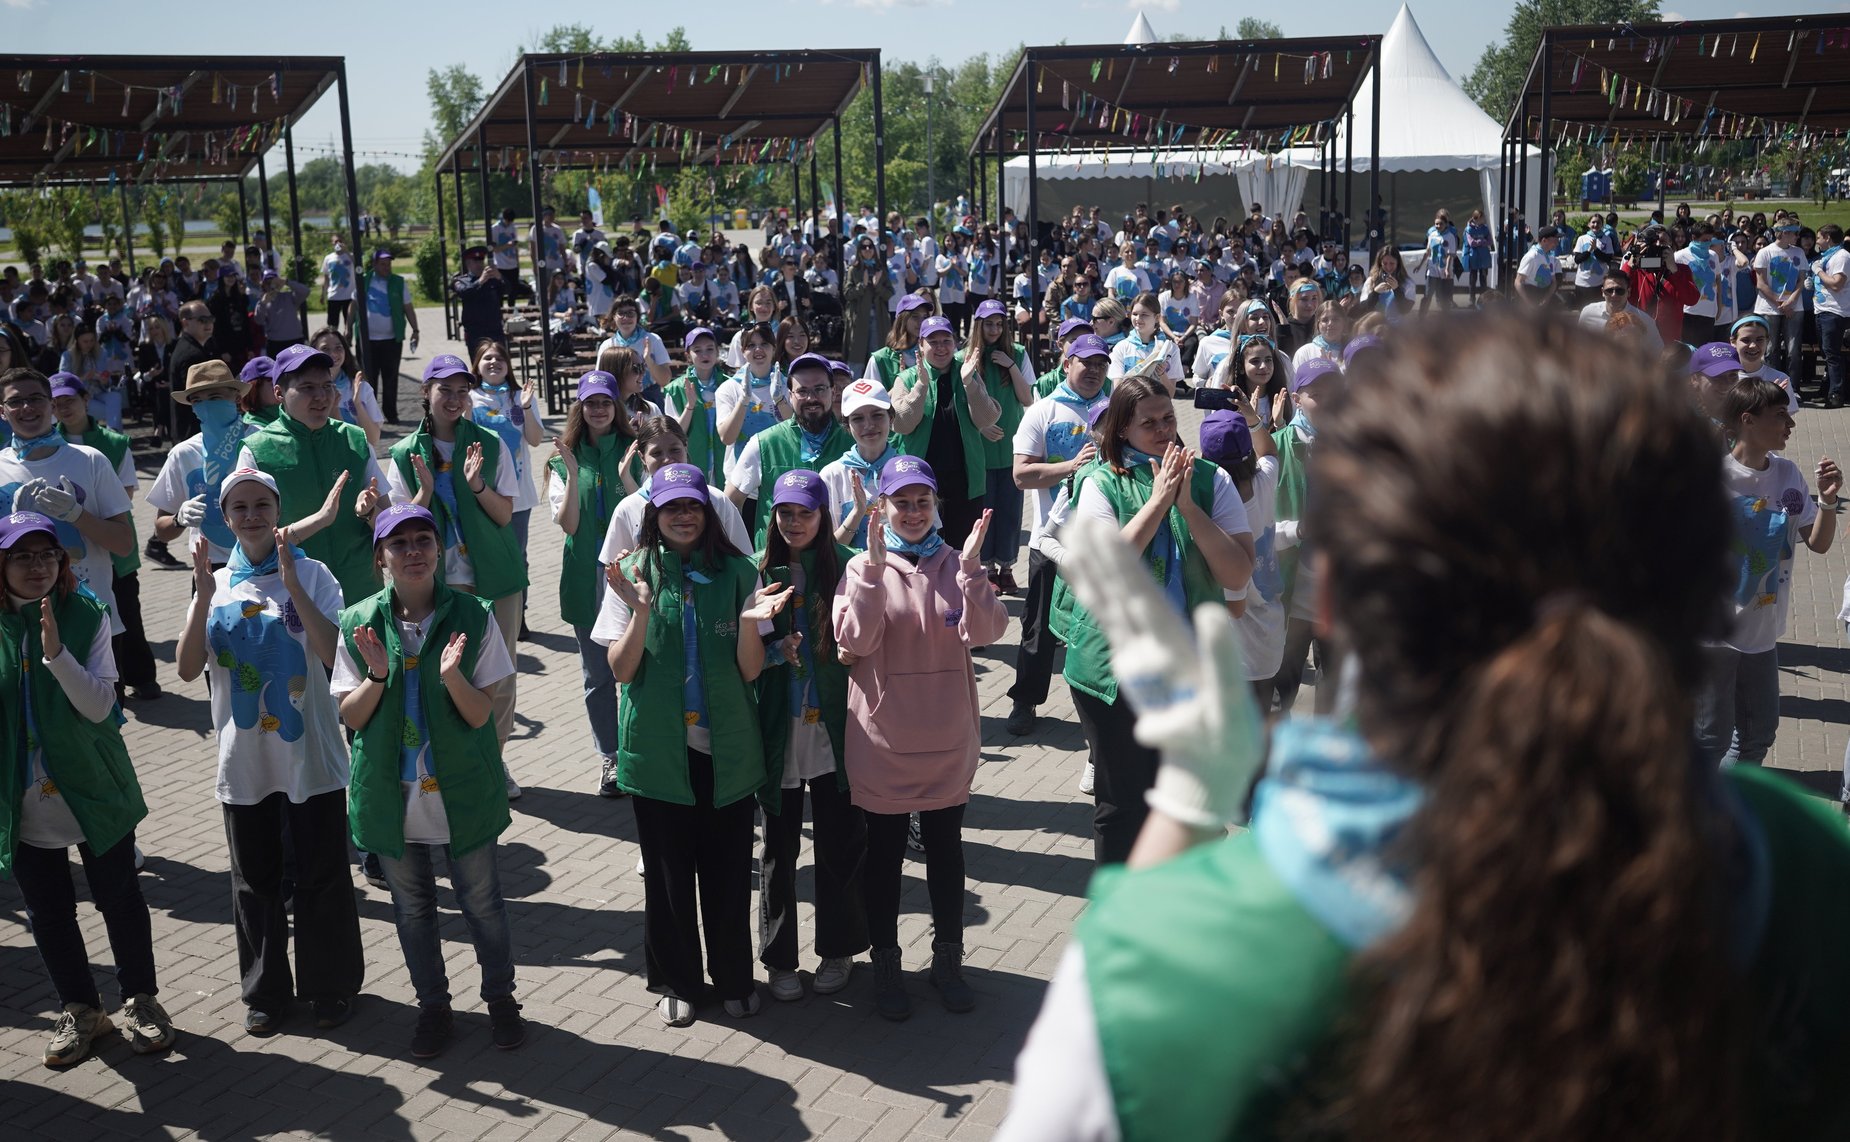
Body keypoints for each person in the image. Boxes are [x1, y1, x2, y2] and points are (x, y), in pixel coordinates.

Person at [1000, 312, 1850, 1142]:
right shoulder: (1813, 865)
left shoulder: (1160, 976)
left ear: (1332, 597)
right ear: (1704, 589)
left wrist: (1183, 811)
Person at [593, 465, 788, 1027]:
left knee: (727, 871)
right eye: (672, 507)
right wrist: (643, 611)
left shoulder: (737, 572)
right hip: (658, 753)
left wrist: (751, 622)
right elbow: (621, 671)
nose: (684, 516)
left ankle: (732, 977)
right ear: (653, 514)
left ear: (708, 513)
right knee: (668, 874)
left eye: (694, 506)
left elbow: (751, 671)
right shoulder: (629, 573)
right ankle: (677, 980)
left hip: (725, 750)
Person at [174, 468, 364, 1035]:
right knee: (254, 882)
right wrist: (203, 597)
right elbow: (186, 668)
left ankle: (330, 987)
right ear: (226, 518)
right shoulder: (216, 582)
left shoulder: (314, 572)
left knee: (323, 876)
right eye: (240, 507)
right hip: (245, 761)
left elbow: (335, 656)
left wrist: (294, 586)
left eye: (262, 504)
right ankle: (265, 992)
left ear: (277, 511)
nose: (252, 515)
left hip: (313, 755)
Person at [332, 504, 525, 1058]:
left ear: (439, 550)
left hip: (461, 793)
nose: (413, 551)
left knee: (482, 904)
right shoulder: (359, 622)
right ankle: (433, 1008)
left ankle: (501, 1000)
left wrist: (449, 676)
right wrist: (377, 675)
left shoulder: (474, 612)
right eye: (400, 544)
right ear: (381, 557)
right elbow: (352, 717)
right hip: (394, 800)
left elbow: (479, 714)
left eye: (423, 540)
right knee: (412, 910)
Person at [1052, 375, 1255, 865]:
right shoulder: (1099, 481)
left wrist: (1186, 505)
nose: (1164, 430)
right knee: (1123, 805)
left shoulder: (1210, 479)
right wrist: (1158, 499)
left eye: (1169, 419)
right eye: (1148, 423)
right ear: (1122, 428)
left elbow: (1238, 570)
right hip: (1114, 671)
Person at [833, 456, 1009, 1020]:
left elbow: (985, 633)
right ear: (881, 508)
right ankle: (887, 964)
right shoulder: (862, 565)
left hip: (947, 739)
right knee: (883, 857)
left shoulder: (958, 564)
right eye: (901, 502)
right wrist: (871, 575)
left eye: (922, 502)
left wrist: (974, 571)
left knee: (946, 853)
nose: (912, 512)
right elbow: (854, 642)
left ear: (936, 506)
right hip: (881, 740)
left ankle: (947, 961)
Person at [0, 509, 175, 1067]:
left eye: (47, 555)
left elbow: (102, 706)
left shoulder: (88, 613)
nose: (37, 567)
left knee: (119, 900)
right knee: (48, 913)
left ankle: (141, 1000)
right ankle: (81, 1009)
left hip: (94, 788)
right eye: (22, 556)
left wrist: (55, 655)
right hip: (20, 801)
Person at [753, 469, 868, 1002]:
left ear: (824, 517)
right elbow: (743, 656)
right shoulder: (758, 571)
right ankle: (778, 959)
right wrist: (777, 652)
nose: (794, 522)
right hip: (779, 729)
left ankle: (838, 949)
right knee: (778, 848)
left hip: (835, 729)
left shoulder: (846, 568)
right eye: (785, 512)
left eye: (805, 512)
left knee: (840, 843)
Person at [386, 355, 527, 788]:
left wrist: (477, 486)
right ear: (426, 394)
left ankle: (493, 763)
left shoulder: (488, 443)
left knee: (498, 677)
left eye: (462, 390)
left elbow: (505, 515)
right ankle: (449, 762)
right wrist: (425, 491)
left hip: (495, 577)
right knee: (445, 676)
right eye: (444, 389)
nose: (454, 398)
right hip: (437, 580)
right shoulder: (405, 453)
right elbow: (399, 526)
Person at [1693, 378, 1838, 767]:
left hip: (1762, 632)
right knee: (1711, 739)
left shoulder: (1788, 474)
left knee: (1758, 734)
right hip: (1712, 635)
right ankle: (1699, 819)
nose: (1789, 425)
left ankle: (1731, 814)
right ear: (1747, 420)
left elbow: (1818, 543)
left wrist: (1826, 501)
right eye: (1780, 416)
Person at [1006, 333, 1112, 736]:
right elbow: (1020, 475)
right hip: (1052, 542)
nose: (1094, 371)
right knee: (1038, 629)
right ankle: (1025, 701)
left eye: (1101, 364)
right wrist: (1072, 466)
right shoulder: (1043, 411)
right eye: (1086, 363)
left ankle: (1102, 709)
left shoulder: (1115, 409)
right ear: (1066, 363)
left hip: (1103, 542)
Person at [238, 344, 390, 606]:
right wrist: (320, 520)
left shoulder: (355, 440)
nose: (321, 396)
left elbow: (388, 526)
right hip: (295, 595)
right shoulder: (256, 450)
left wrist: (370, 514)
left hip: (363, 591)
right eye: (307, 388)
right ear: (279, 393)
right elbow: (252, 541)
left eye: (327, 386)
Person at [0, 368, 136, 647]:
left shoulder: (91, 461)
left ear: (52, 406)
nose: (26, 407)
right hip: (19, 629)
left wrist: (77, 515)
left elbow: (124, 545)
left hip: (91, 622)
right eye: (15, 401)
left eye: (36, 398)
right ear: (2, 411)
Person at [543, 372, 631, 797]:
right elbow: (571, 525)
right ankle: (610, 757)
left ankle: (641, 751)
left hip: (631, 578)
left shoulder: (633, 450)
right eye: (590, 403)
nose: (598, 410)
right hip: (585, 579)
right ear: (580, 408)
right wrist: (575, 473)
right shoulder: (561, 460)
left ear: (616, 407)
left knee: (639, 671)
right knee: (598, 676)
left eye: (606, 402)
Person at [47, 375, 159, 700]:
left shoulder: (114, 443)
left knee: (127, 617)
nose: (63, 408)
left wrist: (82, 516)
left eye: (68, 399)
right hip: (74, 562)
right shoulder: (48, 447)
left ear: (85, 398)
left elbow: (120, 499)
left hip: (117, 553)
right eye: (55, 403)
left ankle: (141, 676)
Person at [891, 316, 1002, 549]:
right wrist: (921, 386)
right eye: (933, 341)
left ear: (955, 343)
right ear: (921, 345)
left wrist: (969, 383)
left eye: (946, 340)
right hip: (920, 484)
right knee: (922, 549)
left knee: (963, 550)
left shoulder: (967, 372)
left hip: (965, 481)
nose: (940, 347)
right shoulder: (907, 378)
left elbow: (987, 418)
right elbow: (902, 425)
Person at [725, 354, 855, 549]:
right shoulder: (765, 443)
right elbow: (730, 502)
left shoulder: (853, 443)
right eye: (802, 391)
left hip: (837, 566)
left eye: (820, 389)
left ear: (834, 391)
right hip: (776, 568)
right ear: (790, 394)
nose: (811, 398)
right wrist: (743, 556)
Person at [148, 361, 257, 573]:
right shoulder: (183, 453)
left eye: (215, 398)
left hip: (264, 564)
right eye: (197, 401)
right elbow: (161, 530)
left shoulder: (262, 441)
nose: (206, 406)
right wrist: (179, 519)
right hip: (209, 570)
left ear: (237, 397)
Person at [468, 338, 544, 630]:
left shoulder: (520, 396)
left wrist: (525, 408)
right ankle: (486, 618)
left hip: (518, 496)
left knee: (517, 557)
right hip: (481, 492)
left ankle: (518, 617)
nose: (494, 363)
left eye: (499, 358)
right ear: (477, 364)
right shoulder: (470, 397)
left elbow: (536, 440)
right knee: (482, 555)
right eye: (487, 358)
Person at [962, 300, 1036, 592]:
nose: (994, 329)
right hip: (978, 448)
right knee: (984, 511)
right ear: (978, 326)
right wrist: (980, 424)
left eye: (999, 323)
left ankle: (1006, 566)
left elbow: (1027, 398)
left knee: (1009, 510)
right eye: (988, 324)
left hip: (1010, 447)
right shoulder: (965, 357)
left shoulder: (1016, 353)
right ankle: (987, 569)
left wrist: (1011, 366)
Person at [356, 250, 419, 424]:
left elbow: (408, 307)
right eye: (383, 264)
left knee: (390, 378)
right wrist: (347, 329)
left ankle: (391, 413)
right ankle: (370, 414)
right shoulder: (363, 280)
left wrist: (416, 330)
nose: (387, 267)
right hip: (368, 340)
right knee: (369, 379)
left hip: (392, 339)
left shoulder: (398, 282)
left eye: (389, 264)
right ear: (374, 264)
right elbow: (353, 306)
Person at [310, 325, 385, 449]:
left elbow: (373, 440)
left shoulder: (361, 388)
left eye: (338, 347)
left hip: (357, 460)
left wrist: (358, 405)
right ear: (313, 352)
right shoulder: (306, 390)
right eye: (325, 348)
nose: (333, 353)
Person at [1754, 222, 1808, 376]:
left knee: (1794, 350)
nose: (1798, 237)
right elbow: (1761, 283)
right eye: (1795, 233)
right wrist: (1782, 304)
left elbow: (1801, 280)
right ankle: (1772, 384)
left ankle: (1793, 387)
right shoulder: (1765, 252)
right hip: (1769, 308)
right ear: (1784, 232)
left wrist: (1790, 302)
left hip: (1794, 307)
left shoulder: (1799, 252)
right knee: (1770, 349)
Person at [599, 296, 673, 399]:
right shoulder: (607, 346)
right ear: (613, 317)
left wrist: (648, 360)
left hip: (649, 396)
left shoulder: (653, 339)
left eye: (630, 313)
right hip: (619, 399)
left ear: (637, 316)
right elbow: (601, 382)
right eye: (621, 313)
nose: (626, 318)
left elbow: (665, 381)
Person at [1578, 269, 1666, 352]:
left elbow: (1658, 353)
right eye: (1609, 290)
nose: (1614, 295)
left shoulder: (1645, 320)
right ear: (1602, 292)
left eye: (1619, 291)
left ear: (1629, 292)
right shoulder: (1588, 314)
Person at [1731, 316, 1799, 415]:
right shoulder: (1723, 379)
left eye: (1759, 339)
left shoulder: (1780, 379)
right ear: (1733, 342)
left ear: (1767, 341)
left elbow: (1784, 422)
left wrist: (1776, 402)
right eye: (1746, 340)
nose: (1753, 345)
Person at [842, 236, 893, 367]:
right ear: (859, 251)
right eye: (864, 247)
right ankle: (854, 383)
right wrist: (862, 285)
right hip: (859, 318)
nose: (868, 249)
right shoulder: (853, 269)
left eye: (870, 246)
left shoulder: (880, 268)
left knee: (876, 354)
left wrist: (878, 286)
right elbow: (847, 293)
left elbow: (889, 293)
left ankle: (877, 382)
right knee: (856, 355)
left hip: (878, 318)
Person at [1676, 223, 1726, 345]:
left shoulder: (1713, 256)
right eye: (1704, 240)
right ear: (1694, 237)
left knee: (1704, 349)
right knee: (1688, 350)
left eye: (1710, 240)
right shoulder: (1680, 256)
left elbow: (1718, 280)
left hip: (1709, 312)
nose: (1707, 243)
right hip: (1688, 312)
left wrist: (1719, 306)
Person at [865, 294, 929, 390]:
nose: (921, 322)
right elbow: (871, 400)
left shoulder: (931, 354)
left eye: (925, 317)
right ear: (901, 320)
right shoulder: (880, 360)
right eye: (915, 316)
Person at [1816, 223, 1850, 408]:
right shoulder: (1827, 256)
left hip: (1835, 311)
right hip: (1822, 309)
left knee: (1832, 354)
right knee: (1827, 353)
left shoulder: (1842, 256)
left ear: (1828, 238)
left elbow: (1837, 284)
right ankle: (1827, 389)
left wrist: (1819, 272)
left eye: (1819, 237)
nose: (1817, 241)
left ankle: (1836, 394)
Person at [452, 247, 507, 353]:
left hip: (494, 330)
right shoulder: (461, 281)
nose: (479, 265)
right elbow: (464, 292)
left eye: (481, 261)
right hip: (475, 332)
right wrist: (480, 281)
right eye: (475, 262)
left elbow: (508, 290)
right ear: (468, 264)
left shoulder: (492, 279)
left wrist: (499, 277)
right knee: (477, 365)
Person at [253, 271, 312, 356]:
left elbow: (305, 291)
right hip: (275, 343)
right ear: (263, 285)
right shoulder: (262, 301)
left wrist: (287, 282)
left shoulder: (289, 296)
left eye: (273, 282)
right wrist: (263, 304)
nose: (270, 285)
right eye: (267, 282)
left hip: (295, 340)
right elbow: (259, 320)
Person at [318, 233, 356, 333]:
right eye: (335, 241)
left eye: (340, 241)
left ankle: (347, 343)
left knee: (349, 324)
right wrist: (323, 294)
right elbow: (326, 278)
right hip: (333, 296)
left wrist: (346, 251)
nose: (338, 244)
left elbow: (358, 266)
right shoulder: (328, 258)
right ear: (332, 244)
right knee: (332, 325)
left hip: (349, 296)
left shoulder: (350, 256)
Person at [1515, 226, 1562, 306]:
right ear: (1544, 240)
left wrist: (1546, 299)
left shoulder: (1550, 257)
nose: (1557, 243)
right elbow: (1518, 282)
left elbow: (1553, 281)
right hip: (1531, 296)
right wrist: (1528, 303)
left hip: (1543, 296)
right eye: (1555, 240)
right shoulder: (1532, 256)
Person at [1422, 210, 1458, 311]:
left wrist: (1447, 267)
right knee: (1428, 292)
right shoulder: (1431, 232)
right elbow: (1428, 247)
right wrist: (1421, 264)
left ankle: (1445, 311)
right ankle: (1423, 315)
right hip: (1433, 266)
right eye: (1436, 223)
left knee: (1445, 294)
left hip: (1445, 267)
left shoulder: (1452, 232)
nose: (1438, 225)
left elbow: (1452, 251)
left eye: (1445, 217)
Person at [490, 208, 524, 310]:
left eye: (511, 221)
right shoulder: (495, 229)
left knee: (514, 289)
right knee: (500, 289)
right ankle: (500, 311)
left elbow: (515, 246)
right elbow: (494, 249)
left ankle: (512, 309)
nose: (509, 223)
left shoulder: (513, 227)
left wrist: (518, 262)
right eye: (508, 220)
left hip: (513, 264)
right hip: (500, 265)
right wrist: (507, 245)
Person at [1461, 208, 1494, 305]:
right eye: (1482, 218)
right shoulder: (1469, 229)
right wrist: (1482, 241)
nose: (1484, 220)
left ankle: (1484, 301)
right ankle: (1472, 300)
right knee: (1473, 280)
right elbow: (1471, 243)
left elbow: (1490, 241)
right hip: (1473, 258)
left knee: (1483, 280)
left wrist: (1480, 242)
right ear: (1477, 218)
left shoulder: (1485, 228)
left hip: (1484, 258)